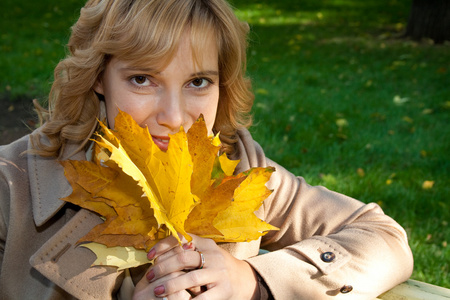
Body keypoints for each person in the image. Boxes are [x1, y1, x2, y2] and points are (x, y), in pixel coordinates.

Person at [0, 0, 413, 299]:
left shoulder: (238, 171)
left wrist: (254, 280)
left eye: (198, 82)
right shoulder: (11, 187)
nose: (175, 117)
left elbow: (384, 237)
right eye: (143, 79)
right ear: (97, 77)